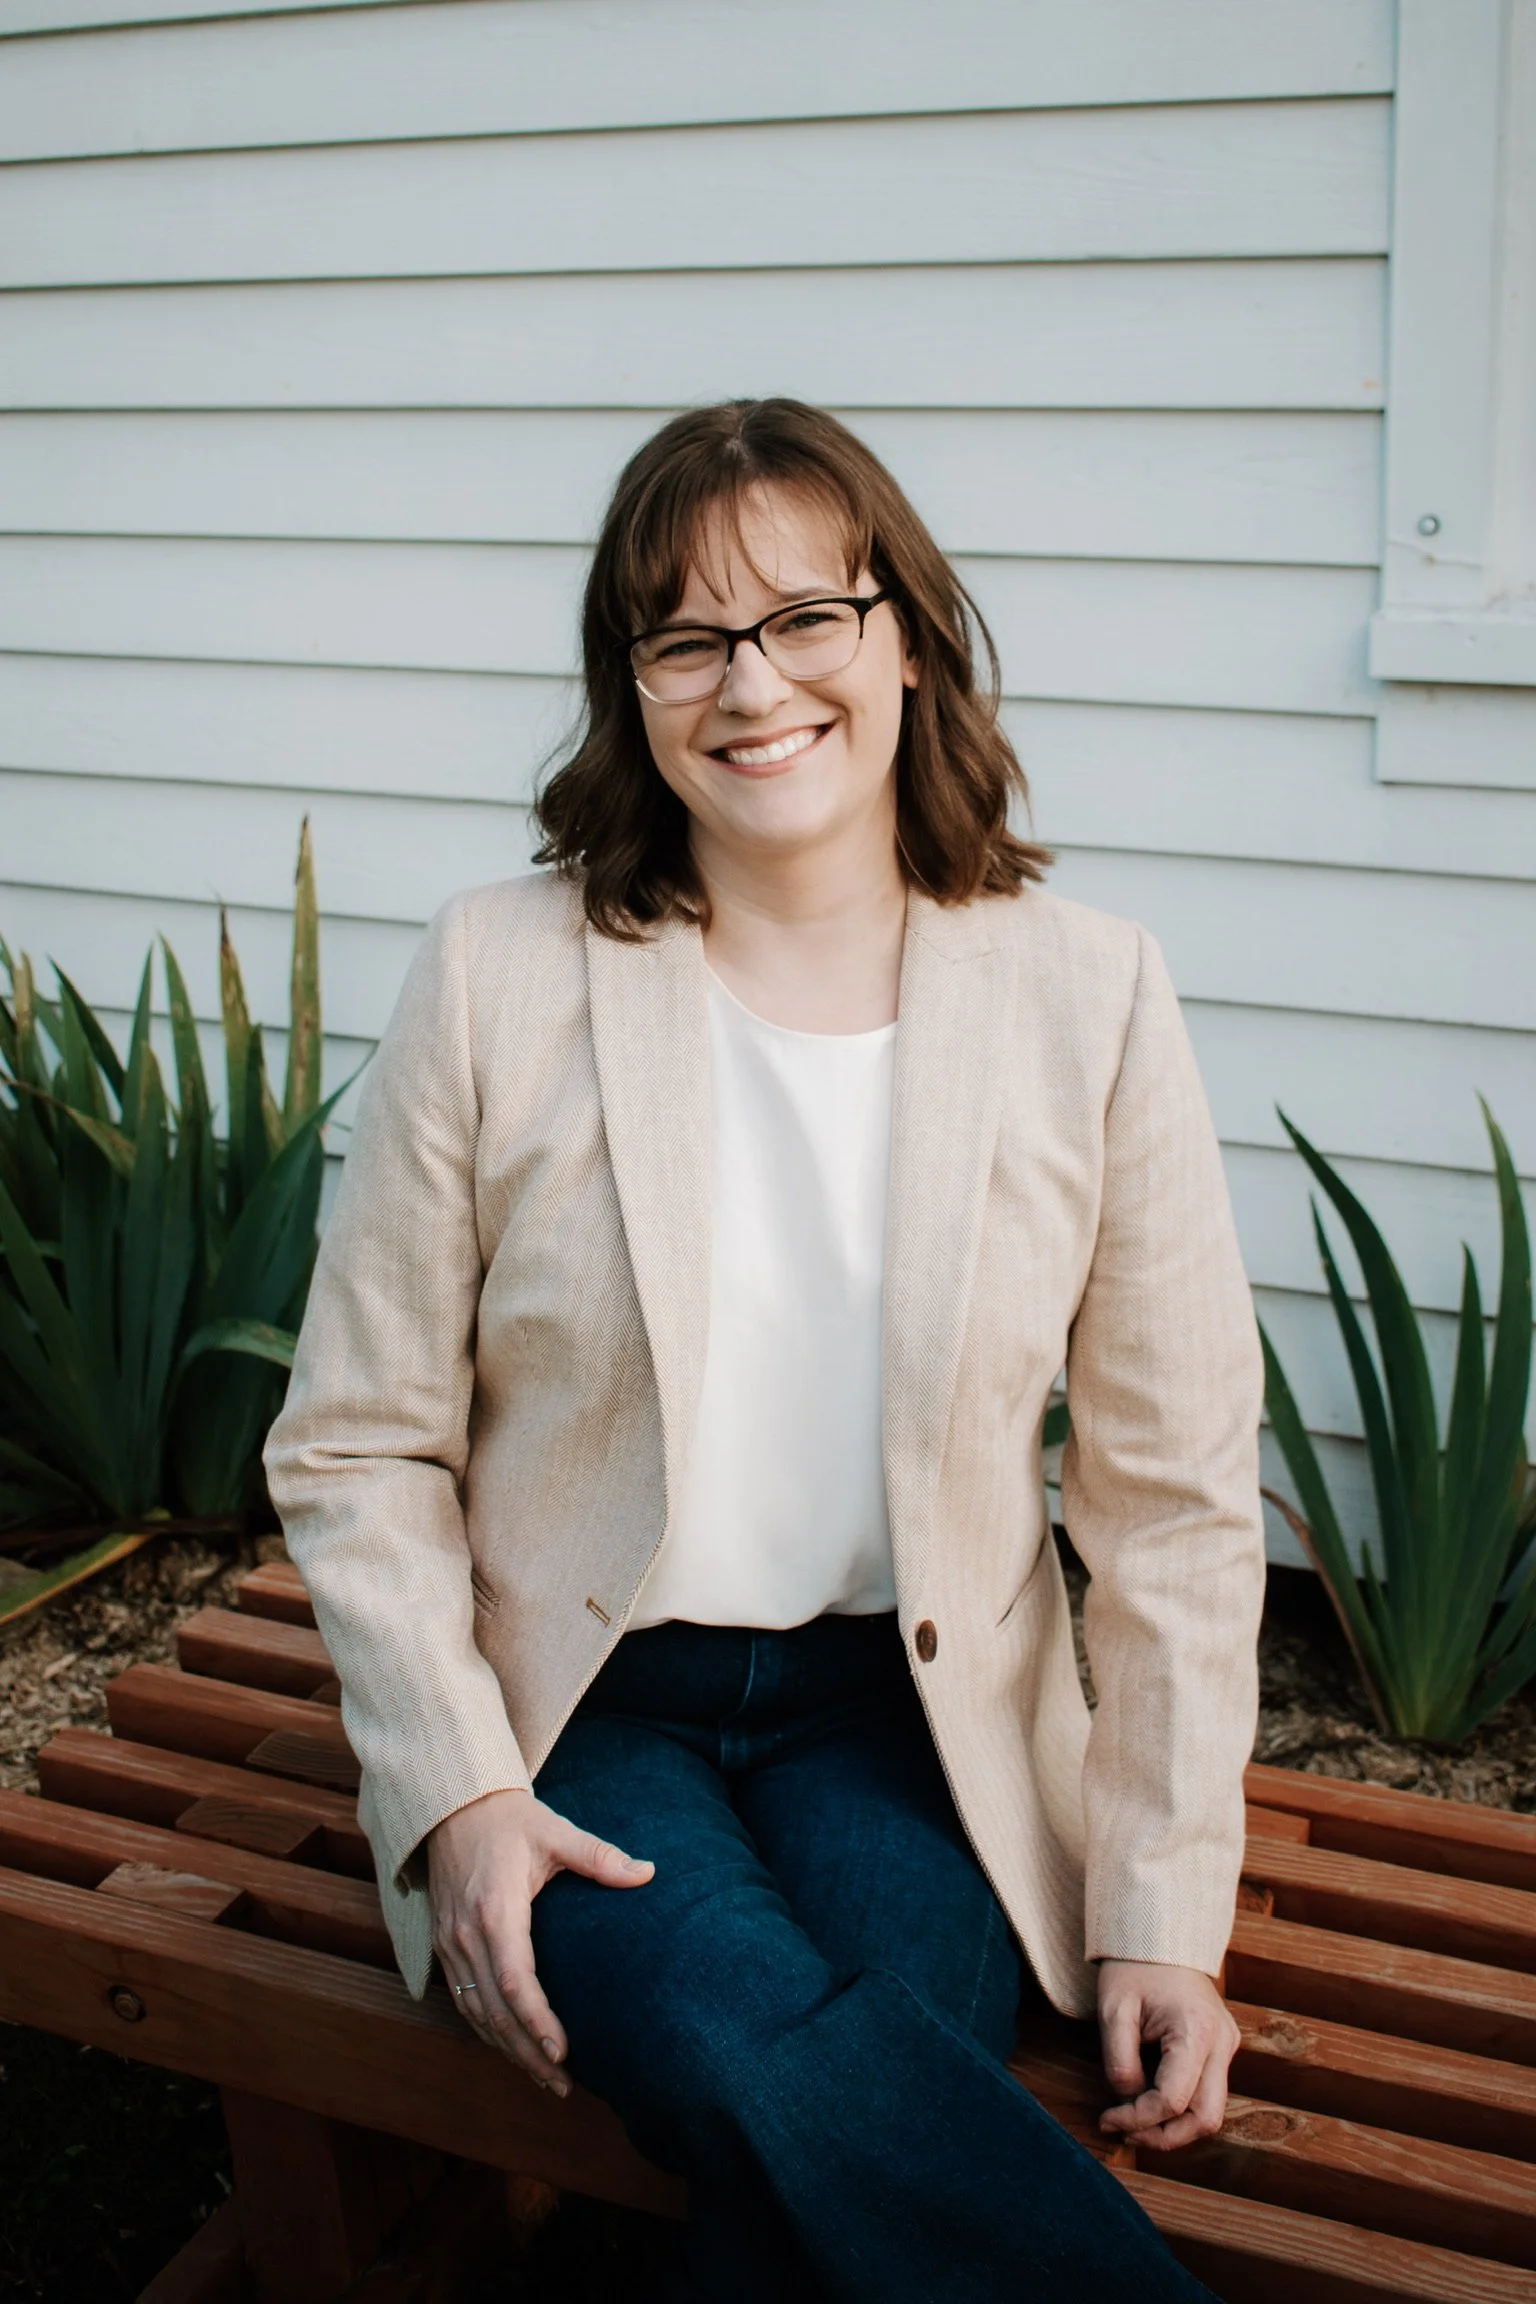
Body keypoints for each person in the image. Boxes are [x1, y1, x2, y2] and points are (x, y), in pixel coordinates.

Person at [264, 397, 1264, 2303]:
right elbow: (356, 1445)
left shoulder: (1089, 993)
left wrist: (1157, 1912)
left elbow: (1178, 1500)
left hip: (913, 1715)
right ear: (631, 688)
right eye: (687, 638)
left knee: (864, 2070)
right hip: (586, 1710)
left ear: (905, 637)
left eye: (808, 616)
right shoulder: (500, 972)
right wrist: (458, 1795)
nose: (754, 683)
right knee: (747, 2048)